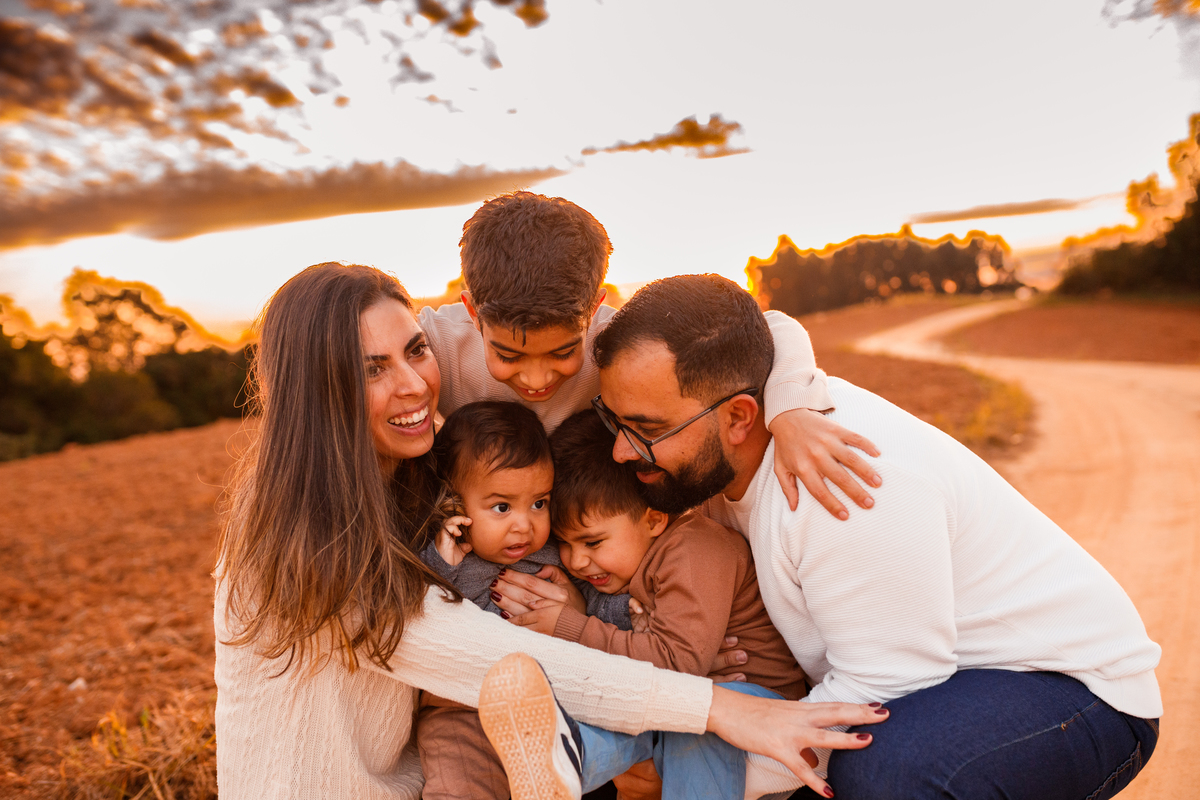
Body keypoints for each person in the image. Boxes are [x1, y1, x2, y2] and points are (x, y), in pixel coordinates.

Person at [213, 262, 886, 800]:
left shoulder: (421, 474)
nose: (415, 384)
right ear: (317, 391)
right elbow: (486, 655)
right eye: (372, 369)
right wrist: (720, 708)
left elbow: (756, 326)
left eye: (415, 350)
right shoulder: (297, 537)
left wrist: (790, 406)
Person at [588, 273, 1163, 800]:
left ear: (739, 417)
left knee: (883, 773)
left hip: (1070, 689)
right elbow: (767, 324)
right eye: (614, 420)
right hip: (931, 679)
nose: (620, 450)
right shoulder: (719, 451)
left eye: (646, 429)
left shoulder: (841, 484)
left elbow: (887, 685)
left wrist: (693, 776)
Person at [417, 191, 882, 522]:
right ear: (473, 312)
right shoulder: (434, 344)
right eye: (507, 354)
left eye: (563, 351)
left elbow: (772, 325)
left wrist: (791, 410)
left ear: (594, 309)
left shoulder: (615, 341)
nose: (536, 378)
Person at [416, 400, 636, 800]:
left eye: (539, 503)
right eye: (502, 507)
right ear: (453, 502)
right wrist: (439, 563)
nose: (525, 525)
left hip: (549, 705)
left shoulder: (554, 554)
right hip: (461, 707)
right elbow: (415, 614)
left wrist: (629, 612)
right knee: (461, 782)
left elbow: (593, 601)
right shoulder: (445, 556)